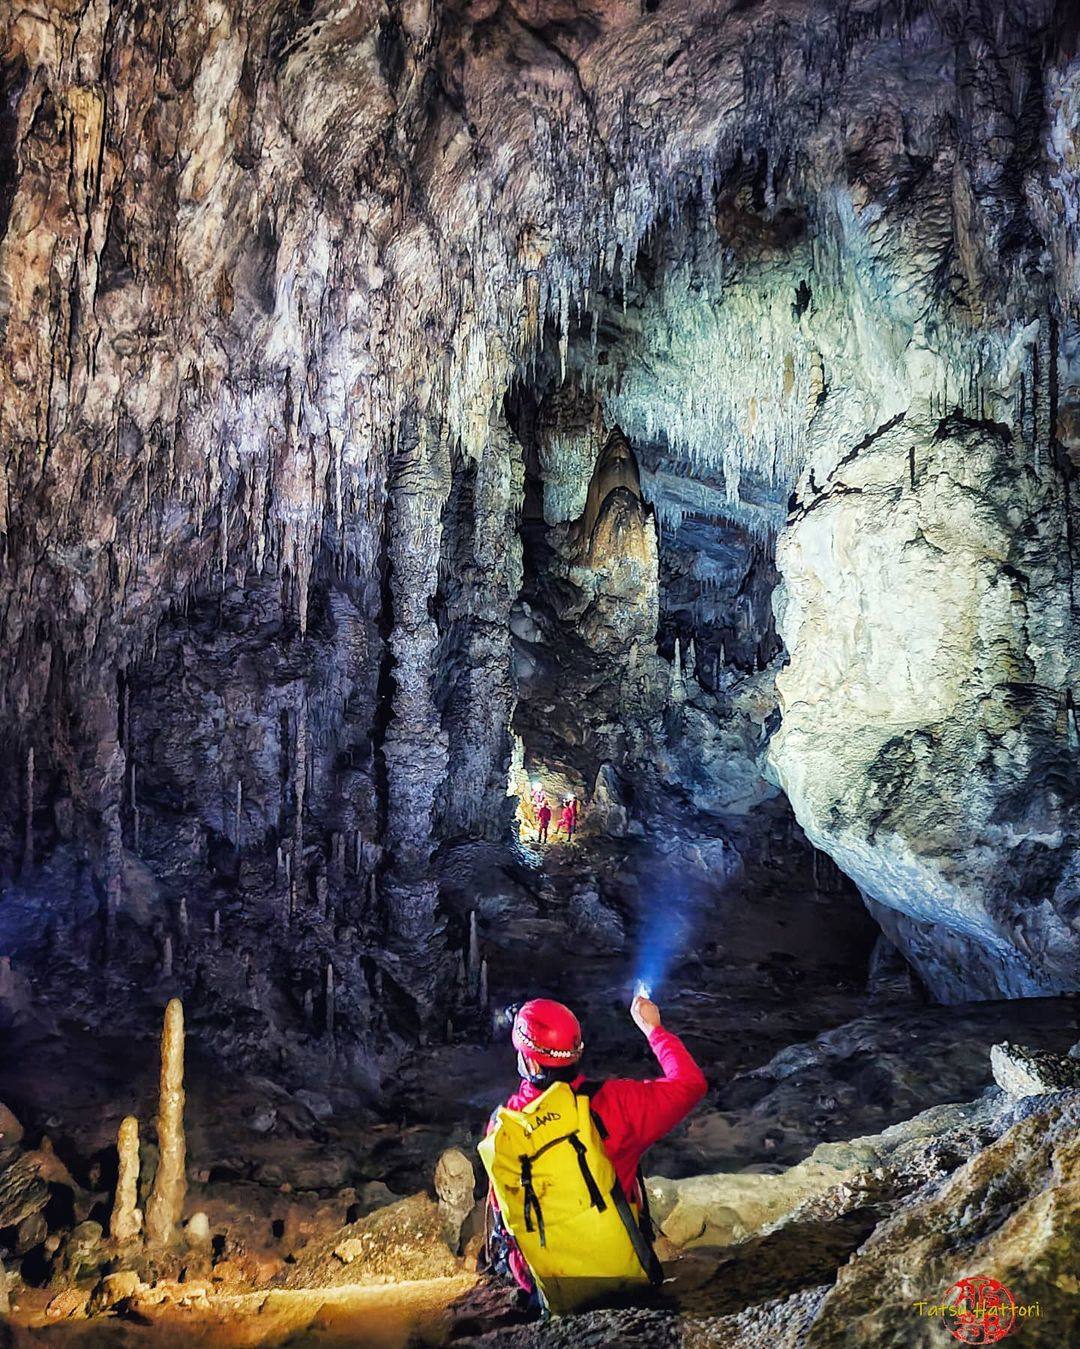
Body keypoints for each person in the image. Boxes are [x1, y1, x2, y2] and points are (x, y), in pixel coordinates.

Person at [481, 994, 706, 1306]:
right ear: (576, 1052)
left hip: (548, 1288)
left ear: (529, 1060)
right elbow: (690, 1084)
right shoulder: (617, 1104)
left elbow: (502, 1212)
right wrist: (654, 1029)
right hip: (624, 1270)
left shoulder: (503, 1127)